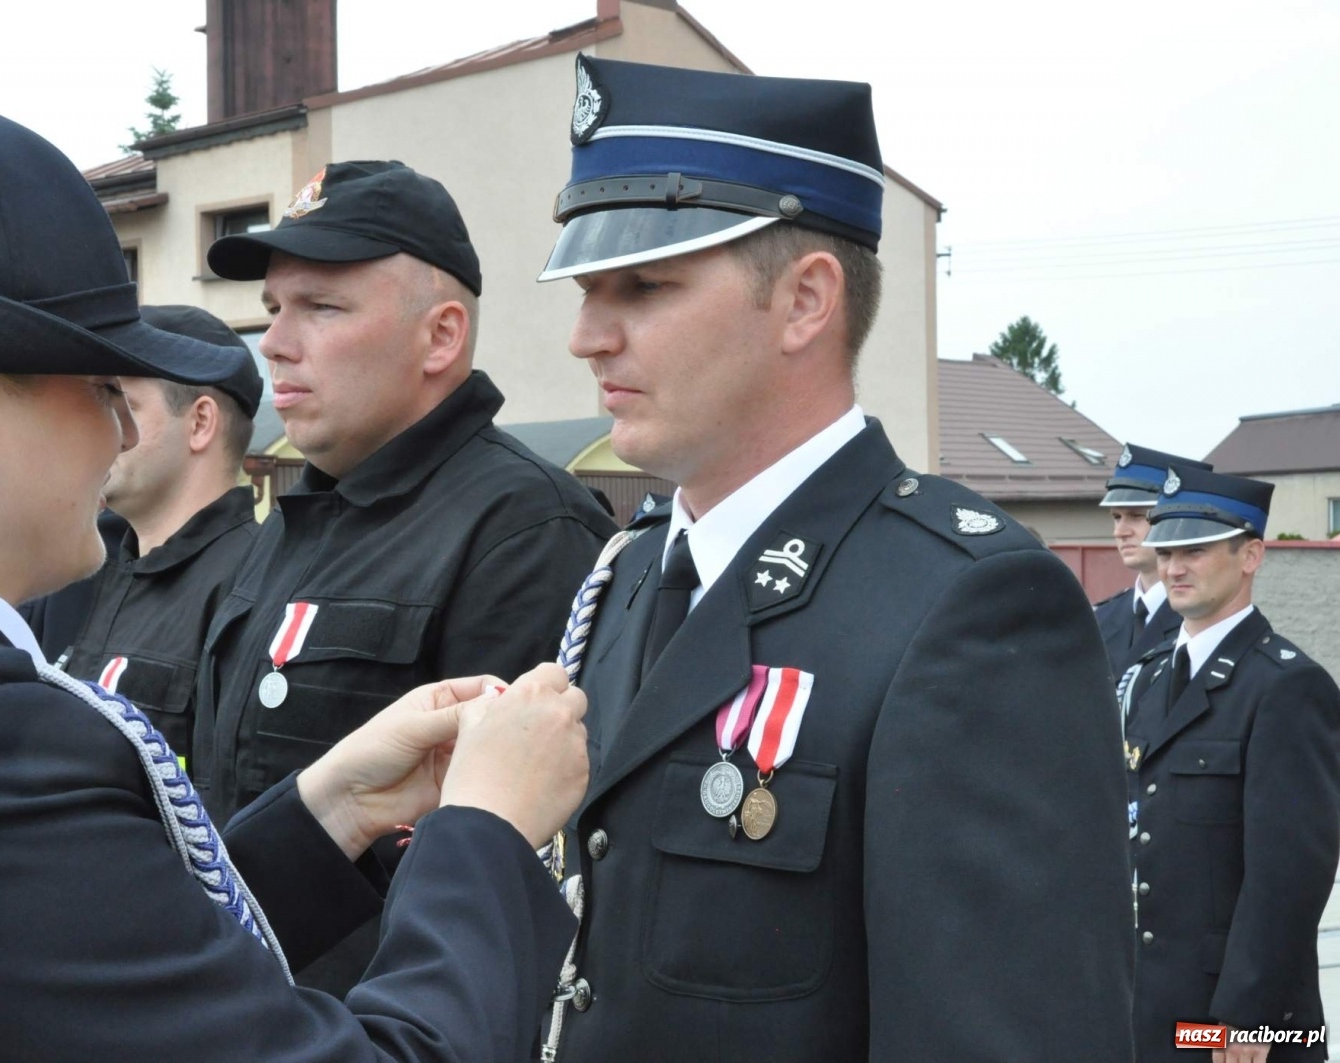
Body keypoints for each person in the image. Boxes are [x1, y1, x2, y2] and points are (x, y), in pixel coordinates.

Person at [0, 101, 589, 1062]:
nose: (120, 431)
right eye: (101, 388)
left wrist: (328, 815)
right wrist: (486, 830)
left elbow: (79, 958)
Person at [531, 56, 1134, 1063]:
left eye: (642, 284)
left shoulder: (967, 610)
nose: (587, 336)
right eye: (589, 288)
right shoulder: (628, 573)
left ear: (806, 300)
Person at [199, 160, 618, 992]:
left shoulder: (524, 530)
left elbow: (508, 859)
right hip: (239, 1008)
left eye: (322, 307)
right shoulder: (287, 524)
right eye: (274, 308)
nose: (276, 341)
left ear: (441, 335)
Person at [1122, 466, 1340, 1063]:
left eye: (1194, 549)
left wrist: (1250, 1016)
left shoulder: (1288, 687)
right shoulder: (1150, 676)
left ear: (1251, 556)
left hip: (1232, 1016)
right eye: (1167, 551)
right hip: (1148, 1000)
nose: (1173, 567)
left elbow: (1288, 876)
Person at [56, 304, 264, 763]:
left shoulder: (255, 588)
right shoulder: (85, 571)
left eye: (122, 404)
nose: (104, 430)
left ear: (200, 423)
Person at [1093, 444, 1211, 677]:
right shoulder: (1101, 617)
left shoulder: (1203, 616)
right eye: (1117, 517)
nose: (1120, 531)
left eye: (1137, 516)